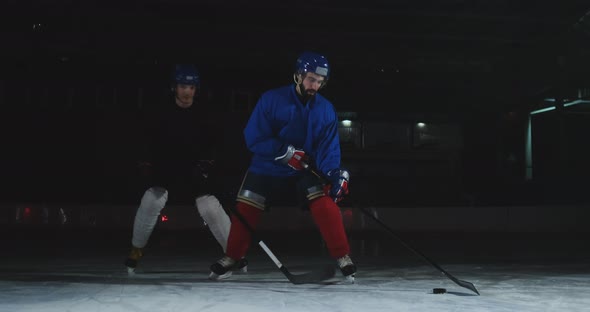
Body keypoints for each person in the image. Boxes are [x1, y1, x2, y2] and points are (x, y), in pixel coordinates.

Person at [209, 51, 356, 282]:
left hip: (304, 169)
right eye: (310, 79)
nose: (314, 85)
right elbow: (253, 136)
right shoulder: (271, 99)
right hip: (266, 166)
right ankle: (232, 256)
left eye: (319, 81)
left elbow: (328, 149)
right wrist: (283, 152)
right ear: (298, 76)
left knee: (326, 205)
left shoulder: (326, 109)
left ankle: (342, 254)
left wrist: (334, 174)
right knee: (245, 208)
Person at [124, 64, 246, 277]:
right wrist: (145, 163)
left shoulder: (206, 112)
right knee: (151, 199)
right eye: (182, 86)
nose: (186, 91)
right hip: (166, 169)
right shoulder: (160, 111)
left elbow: (216, 143)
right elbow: (145, 139)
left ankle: (235, 254)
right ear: (175, 88)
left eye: (190, 86)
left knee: (209, 206)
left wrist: (207, 164)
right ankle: (136, 249)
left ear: (196, 89)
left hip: (195, 171)